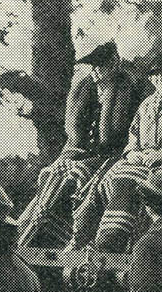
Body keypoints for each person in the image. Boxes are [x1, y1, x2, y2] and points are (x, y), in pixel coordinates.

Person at [72, 52, 162, 252]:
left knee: (129, 181)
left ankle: (110, 241)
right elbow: (133, 135)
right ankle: (82, 236)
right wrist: (132, 153)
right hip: (142, 159)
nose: (161, 79)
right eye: (156, 75)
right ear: (151, 77)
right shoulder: (146, 104)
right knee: (102, 181)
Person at [17, 41, 141, 247]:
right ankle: (32, 232)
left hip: (114, 155)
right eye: (94, 67)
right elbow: (76, 137)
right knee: (53, 172)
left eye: (101, 66)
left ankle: (71, 239)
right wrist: (66, 157)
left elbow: (118, 135)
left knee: (76, 176)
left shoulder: (128, 89)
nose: (96, 71)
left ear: (114, 64)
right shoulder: (87, 89)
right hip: (84, 154)